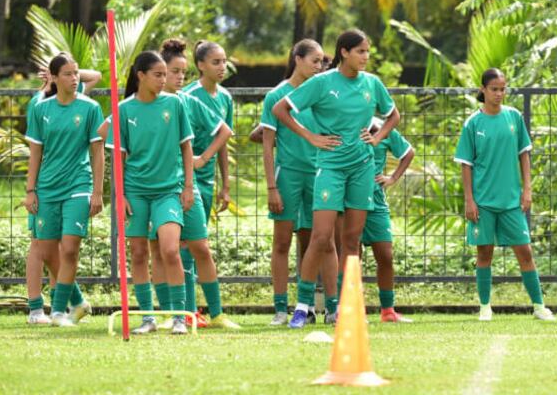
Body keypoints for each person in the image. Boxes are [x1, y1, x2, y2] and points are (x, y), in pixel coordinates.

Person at [273, 28, 400, 326]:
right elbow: (282, 109)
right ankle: (302, 307)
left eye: (368, 51)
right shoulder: (321, 83)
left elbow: (393, 115)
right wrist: (311, 137)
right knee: (320, 237)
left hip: (362, 169)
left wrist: (378, 137)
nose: (366, 57)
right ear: (344, 52)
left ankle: (344, 306)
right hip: (329, 167)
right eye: (361, 51)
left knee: (351, 241)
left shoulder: (373, 84)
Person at [102, 52, 196, 335]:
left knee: (170, 250)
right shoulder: (124, 110)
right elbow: (117, 160)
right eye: (158, 74)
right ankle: (147, 318)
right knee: (139, 253)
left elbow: (186, 147)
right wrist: (119, 195)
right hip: (135, 191)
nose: (164, 80)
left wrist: (188, 186)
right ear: (140, 75)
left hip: (169, 190)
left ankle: (179, 316)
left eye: (165, 74)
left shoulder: (175, 104)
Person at [148, 39, 238, 332]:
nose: (176, 78)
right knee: (166, 250)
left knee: (197, 246)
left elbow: (223, 133)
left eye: (180, 73)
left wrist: (204, 162)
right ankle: (181, 313)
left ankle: (215, 313)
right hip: (159, 188)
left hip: (194, 184)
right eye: (171, 72)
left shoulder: (191, 101)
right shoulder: (149, 104)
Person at [455, 69, 554, 322]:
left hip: (511, 201)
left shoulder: (514, 117)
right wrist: (469, 199)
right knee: (484, 253)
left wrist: (527, 189)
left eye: (503, 89)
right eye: (494, 89)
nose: (499, 94)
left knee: (525, 252)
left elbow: (524, 153)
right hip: (483, 202)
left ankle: (539, 306)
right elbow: (465, 164)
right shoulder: (472, 123)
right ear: (483, 90)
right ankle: (485, 306)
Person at [23, 53, 104, 327]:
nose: (74, 78)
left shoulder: (91, 108)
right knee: (47, 251)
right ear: (54, 78)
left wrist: (97, 191)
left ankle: (58, 312)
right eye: (68, 74)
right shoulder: (40, 109)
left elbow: (97, 152)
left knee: (69, 249)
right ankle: (78, 301)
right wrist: (30, 190)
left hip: (78, 186)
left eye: (76, 73)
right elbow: (35, 153)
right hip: (46, 189)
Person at [253, 39, 329, 326]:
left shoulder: (320, 93)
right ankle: (280, 309)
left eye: (322, 61)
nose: (320, 66)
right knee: (282, 241)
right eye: (315, 60)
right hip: (288, 177)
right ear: (298, 59)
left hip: (320, 175)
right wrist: (272, 187)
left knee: (312, 242)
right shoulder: (276, 96)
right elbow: (267, 145)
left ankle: (306, 306)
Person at [182, 40, 234, 324]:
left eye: (224, 61)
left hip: (206, 181)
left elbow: (222, 140)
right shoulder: (188, 96)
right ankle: (191, 312)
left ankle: (214, 313)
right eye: (216, 62)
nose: (222, 67)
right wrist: (196, 161)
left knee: (198, 244)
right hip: (184, 179)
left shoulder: (225, 97)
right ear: (200, 65)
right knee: (189, 246)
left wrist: (225, 185)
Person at [362, 115, 414, 323]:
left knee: (385, 256)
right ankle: (352, 309)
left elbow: (408, 153)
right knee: (351, 257)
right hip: (349, 199)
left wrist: (392, 178)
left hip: (376, 201)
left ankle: (388, 310)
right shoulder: (345, 122)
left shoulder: (384, 128)